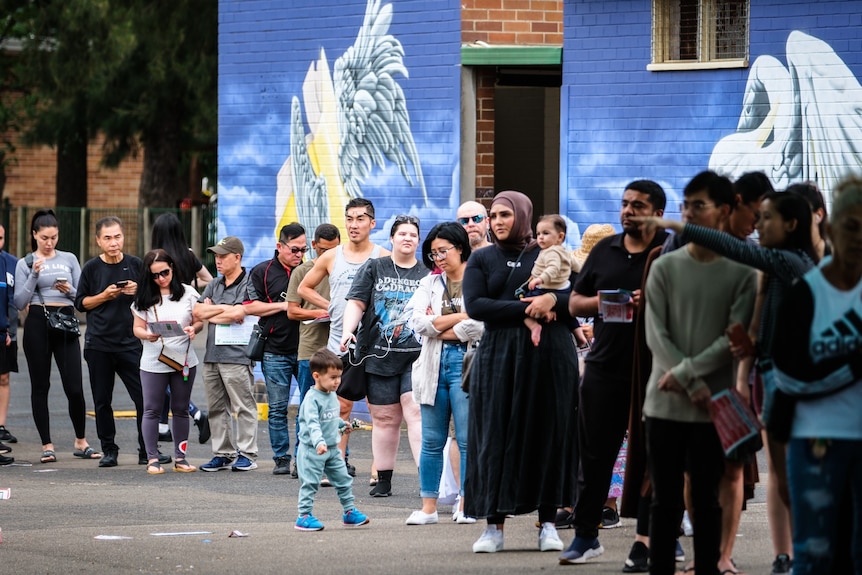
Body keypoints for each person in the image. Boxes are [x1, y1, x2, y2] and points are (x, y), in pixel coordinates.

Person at [637, 190, 816, 574]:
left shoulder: (789, 261)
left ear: (792, 225)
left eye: (766, 218)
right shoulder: (788, 266)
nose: (757, 225)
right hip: (772, 379)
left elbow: (740, 251)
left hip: (789, 385)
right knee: (785, 480)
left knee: (795, 480)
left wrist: (678, 225)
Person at [642, 174, 757, 575]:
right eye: (685, 205)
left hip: (711, 404)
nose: (688, 213)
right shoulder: (665, 266)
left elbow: (733, 337)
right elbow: (656, 334)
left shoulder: (743, 273)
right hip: (665, 401)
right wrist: (690, 379)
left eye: (699, 205)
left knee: (707, 500)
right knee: (665, 502)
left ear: (724, 211)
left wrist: (688, 373)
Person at [463, 191, 578, 555]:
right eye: (492, 215)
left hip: (550, 355)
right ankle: (493, 527)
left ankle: (548, 524)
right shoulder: (482, 258)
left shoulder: (550, 254)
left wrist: (553, 300)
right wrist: (528, 309)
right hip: (498, 356)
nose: (497, 221)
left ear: (523, 216)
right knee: (493, 435)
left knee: (549, 434)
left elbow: (577, 299)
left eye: (505, 215)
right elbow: (476, 305)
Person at [562, 181, 668, 564]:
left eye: (637, 205)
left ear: (657, 211)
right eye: (624, 204)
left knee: (656, 456)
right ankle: (586, 535)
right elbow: (574, 302)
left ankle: (656, 536)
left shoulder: (670, 250)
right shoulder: (605, 250)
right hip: (605, 366)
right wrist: (608, 301)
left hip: (657, 367)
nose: (627, 211)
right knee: (594, 455)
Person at [771, 173, 862, 575]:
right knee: (814, 554)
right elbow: (789, 375)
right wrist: (851, 367)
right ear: (831, 227)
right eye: (850, 225)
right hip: (816, 443)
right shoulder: (806, 292)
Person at [297, 198, 389, 480]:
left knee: (380, 409)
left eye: (360, 218)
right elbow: (304, 287)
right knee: (339, 408)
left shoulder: (383, 256)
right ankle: (334, 468)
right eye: (349, 218)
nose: (354, 224)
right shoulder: (331, 256)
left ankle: (379, 469)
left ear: (372, 223)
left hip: (374, 345)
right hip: (339, 343)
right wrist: (331, 306)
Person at [339, 214, 426, 497]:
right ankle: (384, 479)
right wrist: (347, 331)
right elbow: (357, 302)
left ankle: (428, 480)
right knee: (385, 419)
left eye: (413, 234)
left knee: (414, 412)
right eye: (402, 234)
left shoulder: (427, 274)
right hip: (377, 355)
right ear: (392, 238)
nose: (407, 238)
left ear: (418, 240)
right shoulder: (375, 267)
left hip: (417, 355)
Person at [75, 216, 171, 468]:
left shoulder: (136, 264)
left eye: (117, 236)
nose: (114, 242)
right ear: (98, 241)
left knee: (144, 399)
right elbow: (81, 303)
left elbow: (153, 295)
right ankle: (109, 450)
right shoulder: (91, 268)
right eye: (107, 238)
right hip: (99, 344)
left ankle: (147, 450)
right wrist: (104, 295)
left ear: (123, 237)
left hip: (131, 343)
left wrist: (137, 290)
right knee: (102, 400)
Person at [406, 222, 483, 525]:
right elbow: (417, 323)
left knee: (466, 439)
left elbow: (482, 324)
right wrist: (462, 317)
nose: (437, 258)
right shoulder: (429, 283)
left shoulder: (478, 280)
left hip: (467, 364)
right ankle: (428, 508)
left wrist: (440, 324)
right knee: (431, 439)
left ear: (460, 248)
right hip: (432, 365)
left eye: (443, 251)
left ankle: (466, 504)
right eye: (433, 253)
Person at [14, 209, 98, 464]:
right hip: (38, 321)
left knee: (74, 385)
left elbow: (83, 298)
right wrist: (35, 275)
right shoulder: (25, 263)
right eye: (45, 238)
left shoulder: (70, 258)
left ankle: (81, 441)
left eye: (54, 237)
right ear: (34, 235)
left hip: (65, 321)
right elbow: (19, 302)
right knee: (41, 386)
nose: (50, 243)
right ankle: (46, 444)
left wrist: (70, 289)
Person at [132, 249, 203, 474]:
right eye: (155, 275)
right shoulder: (143, 297)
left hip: (183, 359)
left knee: (181, 409)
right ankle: (152, 458)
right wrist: (147, 335)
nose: (161, 278)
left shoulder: (189, 293)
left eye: (165, 272)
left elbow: (199, 320)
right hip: (154, 359)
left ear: (172, 268)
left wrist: (194, 328)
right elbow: (137, 328)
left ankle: (180, 458)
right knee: (151, 409)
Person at [244, 223, 306, 475]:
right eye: (294, 249)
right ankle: (281, 457)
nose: (299, 254)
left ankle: (303, 456)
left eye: (304, 249)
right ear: (279, 246)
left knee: (309, 406)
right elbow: (250, 306)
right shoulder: (262, 271)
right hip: (274, 350)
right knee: (278, 407)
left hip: (306, 349)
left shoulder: (309, 270)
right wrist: (286, 306)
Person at [193, 236, 259, 472]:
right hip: (212, 355)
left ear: (237, 257)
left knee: (243, 405)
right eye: (216, 256)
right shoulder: (214, 284)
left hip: (238, 354)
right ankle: (223, 453)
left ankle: (248, 454)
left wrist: (214, 311)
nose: (217, 261)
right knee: (216, 407)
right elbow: (198, 312)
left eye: (223, 256)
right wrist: (224, 311)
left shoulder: (250, 282)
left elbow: (239, 315)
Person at [151, 212, 212, 444]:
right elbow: (207, 279)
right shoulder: (188, 255)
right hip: (185, 319)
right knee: (172, 367)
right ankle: (164, 427)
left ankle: (195, 413)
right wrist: (189, 289)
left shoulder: (156, 258)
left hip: (161, 318)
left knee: (160, 371)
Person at [286, 223, 341, 478]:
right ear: (314, 247)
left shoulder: (345, 270)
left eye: (334, 250)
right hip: (311, 347)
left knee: (339, 408)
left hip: (340, 345)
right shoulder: (302, 271)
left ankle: (339, 459)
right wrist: (318, 312)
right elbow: (292, 310)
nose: (329, 255)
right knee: (309, 407)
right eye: (324, 251)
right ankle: (301, 459)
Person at [295, 348, 370, 531]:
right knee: (310, 483)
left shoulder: (332, 396)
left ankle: (349, 512)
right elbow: (313, 424)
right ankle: (303, 516)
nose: (337, 382)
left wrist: (342, 424)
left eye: (339, 377)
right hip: (313, 450)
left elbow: (329, 418)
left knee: (343, 479)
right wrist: (319, 443)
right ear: (316, 376)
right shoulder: (311, 399)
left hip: (332, 449)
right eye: (333, 377)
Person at [521, 214, 572, 347]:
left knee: (522, 307)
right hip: (563, 288)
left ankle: (534, 326)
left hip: (545, 287)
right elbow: (576, 265)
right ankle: (578, 334)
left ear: (560, 237)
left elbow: (552, 269)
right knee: (570, 317)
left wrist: (539, 279)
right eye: (538, 234)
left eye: (545, 233)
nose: (540, 237)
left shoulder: (551, 252)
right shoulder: (564, 252)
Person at [0, 224, 15, 464]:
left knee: (3, 377)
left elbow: (10, 301)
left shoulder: (9, 263)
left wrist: (8, 329)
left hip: (2, 331)